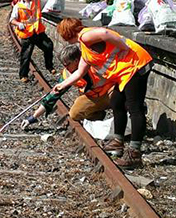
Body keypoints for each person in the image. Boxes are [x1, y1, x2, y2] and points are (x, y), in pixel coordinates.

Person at [53, 17, 153, 168]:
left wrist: (124, 47)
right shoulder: (85, 50)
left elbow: (105, 32)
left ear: (67, 33)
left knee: (134, 108)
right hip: (125, 72)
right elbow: (79, 72)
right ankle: (117, 142)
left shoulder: (85, 36)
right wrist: (62, 85)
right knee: (116, 102)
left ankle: (134, 153)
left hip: (135, 65)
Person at [21, 44, 102, 130]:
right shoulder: (67, 74)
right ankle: (99, 115)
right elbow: (52, 97)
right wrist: (33, 117)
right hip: (93, 97)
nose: (66, 68)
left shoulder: (93, 63)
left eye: (67, 65)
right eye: (64, 65)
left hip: (108, 93)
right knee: (75, 113)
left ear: (76, 60)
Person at [10, 0, 55, 82]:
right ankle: (23, 75)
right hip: (27, 34)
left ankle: (49, 67)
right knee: (26, 55)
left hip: (38, 32)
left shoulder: (37, 2)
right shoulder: (18, 5)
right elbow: (12, 20)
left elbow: (48, 6)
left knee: (49, 46)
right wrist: (18, 24)